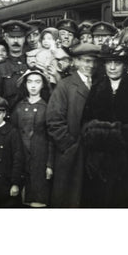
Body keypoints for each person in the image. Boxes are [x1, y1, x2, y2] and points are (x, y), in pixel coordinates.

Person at [80, 43, 128, 207]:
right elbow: (86, 121)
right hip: (98, 160)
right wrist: (97, 133)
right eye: (108, 62)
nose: (112, 67)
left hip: (126, 159)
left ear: (125, 64)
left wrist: (120, 133)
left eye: (117, 63)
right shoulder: (97, 86)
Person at [46, 42, 100, 207]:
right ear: (75, 62)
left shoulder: (100, 83)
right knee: (70, 199)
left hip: (95, 153)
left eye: (93, 61)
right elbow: (54, 121)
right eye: (85, 61)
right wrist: (70, 146)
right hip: (72, 155)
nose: (89, 65)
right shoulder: (65, 85)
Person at [12, 68, 54, 207]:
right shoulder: (19, 106)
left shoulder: (47, 107)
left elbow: (51, 138)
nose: (33, 85)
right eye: (29, 82)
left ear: (43, 85)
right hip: (21, 156)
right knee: (21, 198)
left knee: (38, 198)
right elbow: (14, 132)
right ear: (25, 84)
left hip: (40, 158)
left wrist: (49, 164)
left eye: (37, 81)